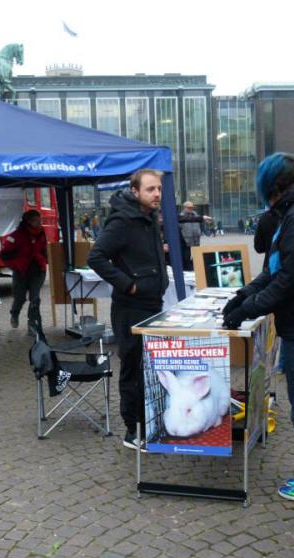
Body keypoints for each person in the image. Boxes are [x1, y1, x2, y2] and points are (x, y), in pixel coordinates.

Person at [221, 153, 294, 503]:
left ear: (273, 186)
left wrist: (247, 311)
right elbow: (272, 273)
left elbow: (288, 279)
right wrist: (241, 297)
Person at [88, 169, 169, 450]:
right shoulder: (123, 219)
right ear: (135, 192)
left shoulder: (148, 218)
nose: (157, 193)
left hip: (152, 304)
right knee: (133, 368)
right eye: (150, 189)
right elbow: (96, 256)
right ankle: (132, 430)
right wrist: (128, 285)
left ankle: (148, 422)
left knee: (148, 368)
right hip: (131, 308)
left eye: (158, 188)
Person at [1, 210, 48, 338]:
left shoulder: (42, 233)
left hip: (38, 271)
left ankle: (33, 325)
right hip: (21, 271)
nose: (39, 223)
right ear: (28, 221)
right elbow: (4, 254)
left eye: (40, 221)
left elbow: (45, 249)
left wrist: (45, 259)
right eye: (36, 221)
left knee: (35, 298)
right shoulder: (16, 235)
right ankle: (14, 313)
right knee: (19, 298)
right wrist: (15, 266)